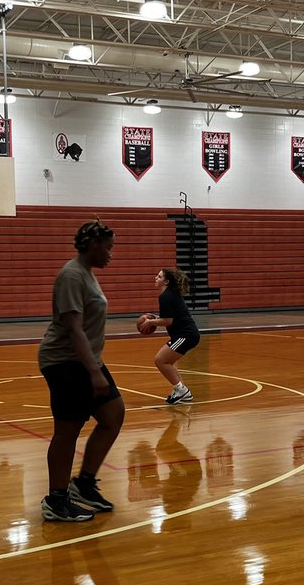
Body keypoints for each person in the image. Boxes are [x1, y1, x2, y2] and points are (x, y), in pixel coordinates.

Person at [37, 219, 125, 522]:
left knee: (113, 415)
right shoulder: (72, 275)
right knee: (67, 431)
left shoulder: (86, 274)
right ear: (93, 245)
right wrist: (94, 372)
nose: (111, 254)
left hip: (86, 360)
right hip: (66, 362)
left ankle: (84, 484)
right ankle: (56, 500)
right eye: (108, 248)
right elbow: (74, 330)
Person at [140, 268, 201, 404]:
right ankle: (182, 391)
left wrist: (150, 322)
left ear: (166, 282)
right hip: (186, 335)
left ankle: (181, 391)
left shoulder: (166, 296)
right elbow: (169, 317)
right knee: (166, 362)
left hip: (186, 335)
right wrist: (154, 318)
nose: (156, 278)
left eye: (159, 276)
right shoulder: (169, 294)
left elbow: (168, 321)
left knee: (160, 360)